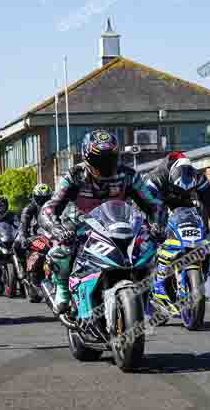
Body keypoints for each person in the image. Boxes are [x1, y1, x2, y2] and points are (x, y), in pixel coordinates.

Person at [39, 129, 166, 318]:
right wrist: (56, 227)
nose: (105, 164)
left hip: (121, 227)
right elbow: (50, 207)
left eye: (110, 158)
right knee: (61, 251)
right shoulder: (74, 176)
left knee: (149, 249)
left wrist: (157, 225)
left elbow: (153, 205)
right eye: (100, 159)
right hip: (80, 230)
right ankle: (64, 290)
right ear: (87, 157)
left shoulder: (129, 175)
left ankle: (145, 298)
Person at [144, 151, 210, 310]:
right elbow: (144, 204)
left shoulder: (198, 177)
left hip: (185, 211)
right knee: (146, 245)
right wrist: (152, 225)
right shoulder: (155, 178)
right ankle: (147, 288)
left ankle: (200, 276)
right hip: (159, 208)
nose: (182, 191)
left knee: (205, 244)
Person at [15, 184, 53, 281]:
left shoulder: (55, 207)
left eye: (46, 198)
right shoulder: (29, 208)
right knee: (17, 243)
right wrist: (24, 238)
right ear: (34, 197)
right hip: (34, 236)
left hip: (52, 236)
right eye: (40, 199)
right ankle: (22, 267)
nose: (43, 202)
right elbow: (23, 225)